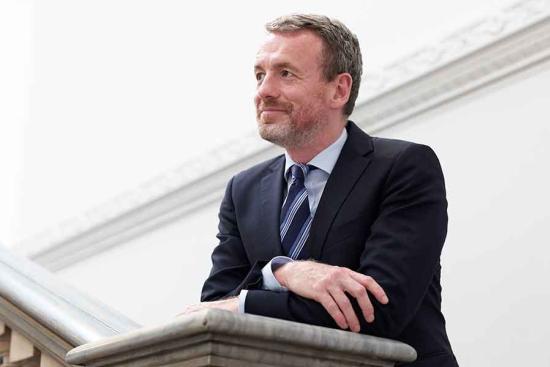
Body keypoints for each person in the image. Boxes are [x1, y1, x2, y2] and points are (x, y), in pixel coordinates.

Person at [184, 14, 458, 366]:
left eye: (285, 73)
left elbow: (374, 309)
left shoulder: (404, 166)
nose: (264, 91)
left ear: (339, 89)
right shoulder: (243, 190)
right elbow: (213, 306)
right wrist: (284, 271)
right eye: (259, 75)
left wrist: (248, 302)